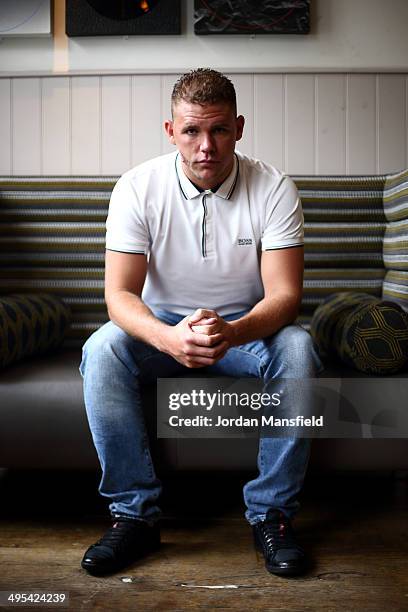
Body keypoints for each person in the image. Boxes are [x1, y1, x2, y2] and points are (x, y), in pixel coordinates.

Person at [79, 68, 321, 578]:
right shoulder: (137, 187)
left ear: (239, 127)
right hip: (161, 322)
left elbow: (285, 297)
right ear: (171, 131)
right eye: (191, 130)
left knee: (298, 347)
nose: (205, 145)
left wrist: (231, 332)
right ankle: (134, 517)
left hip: (246, 328)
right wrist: (168, 338)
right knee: (102, 348)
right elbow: (119, 294)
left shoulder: (275, 187)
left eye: (218, 130)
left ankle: (272, 515)